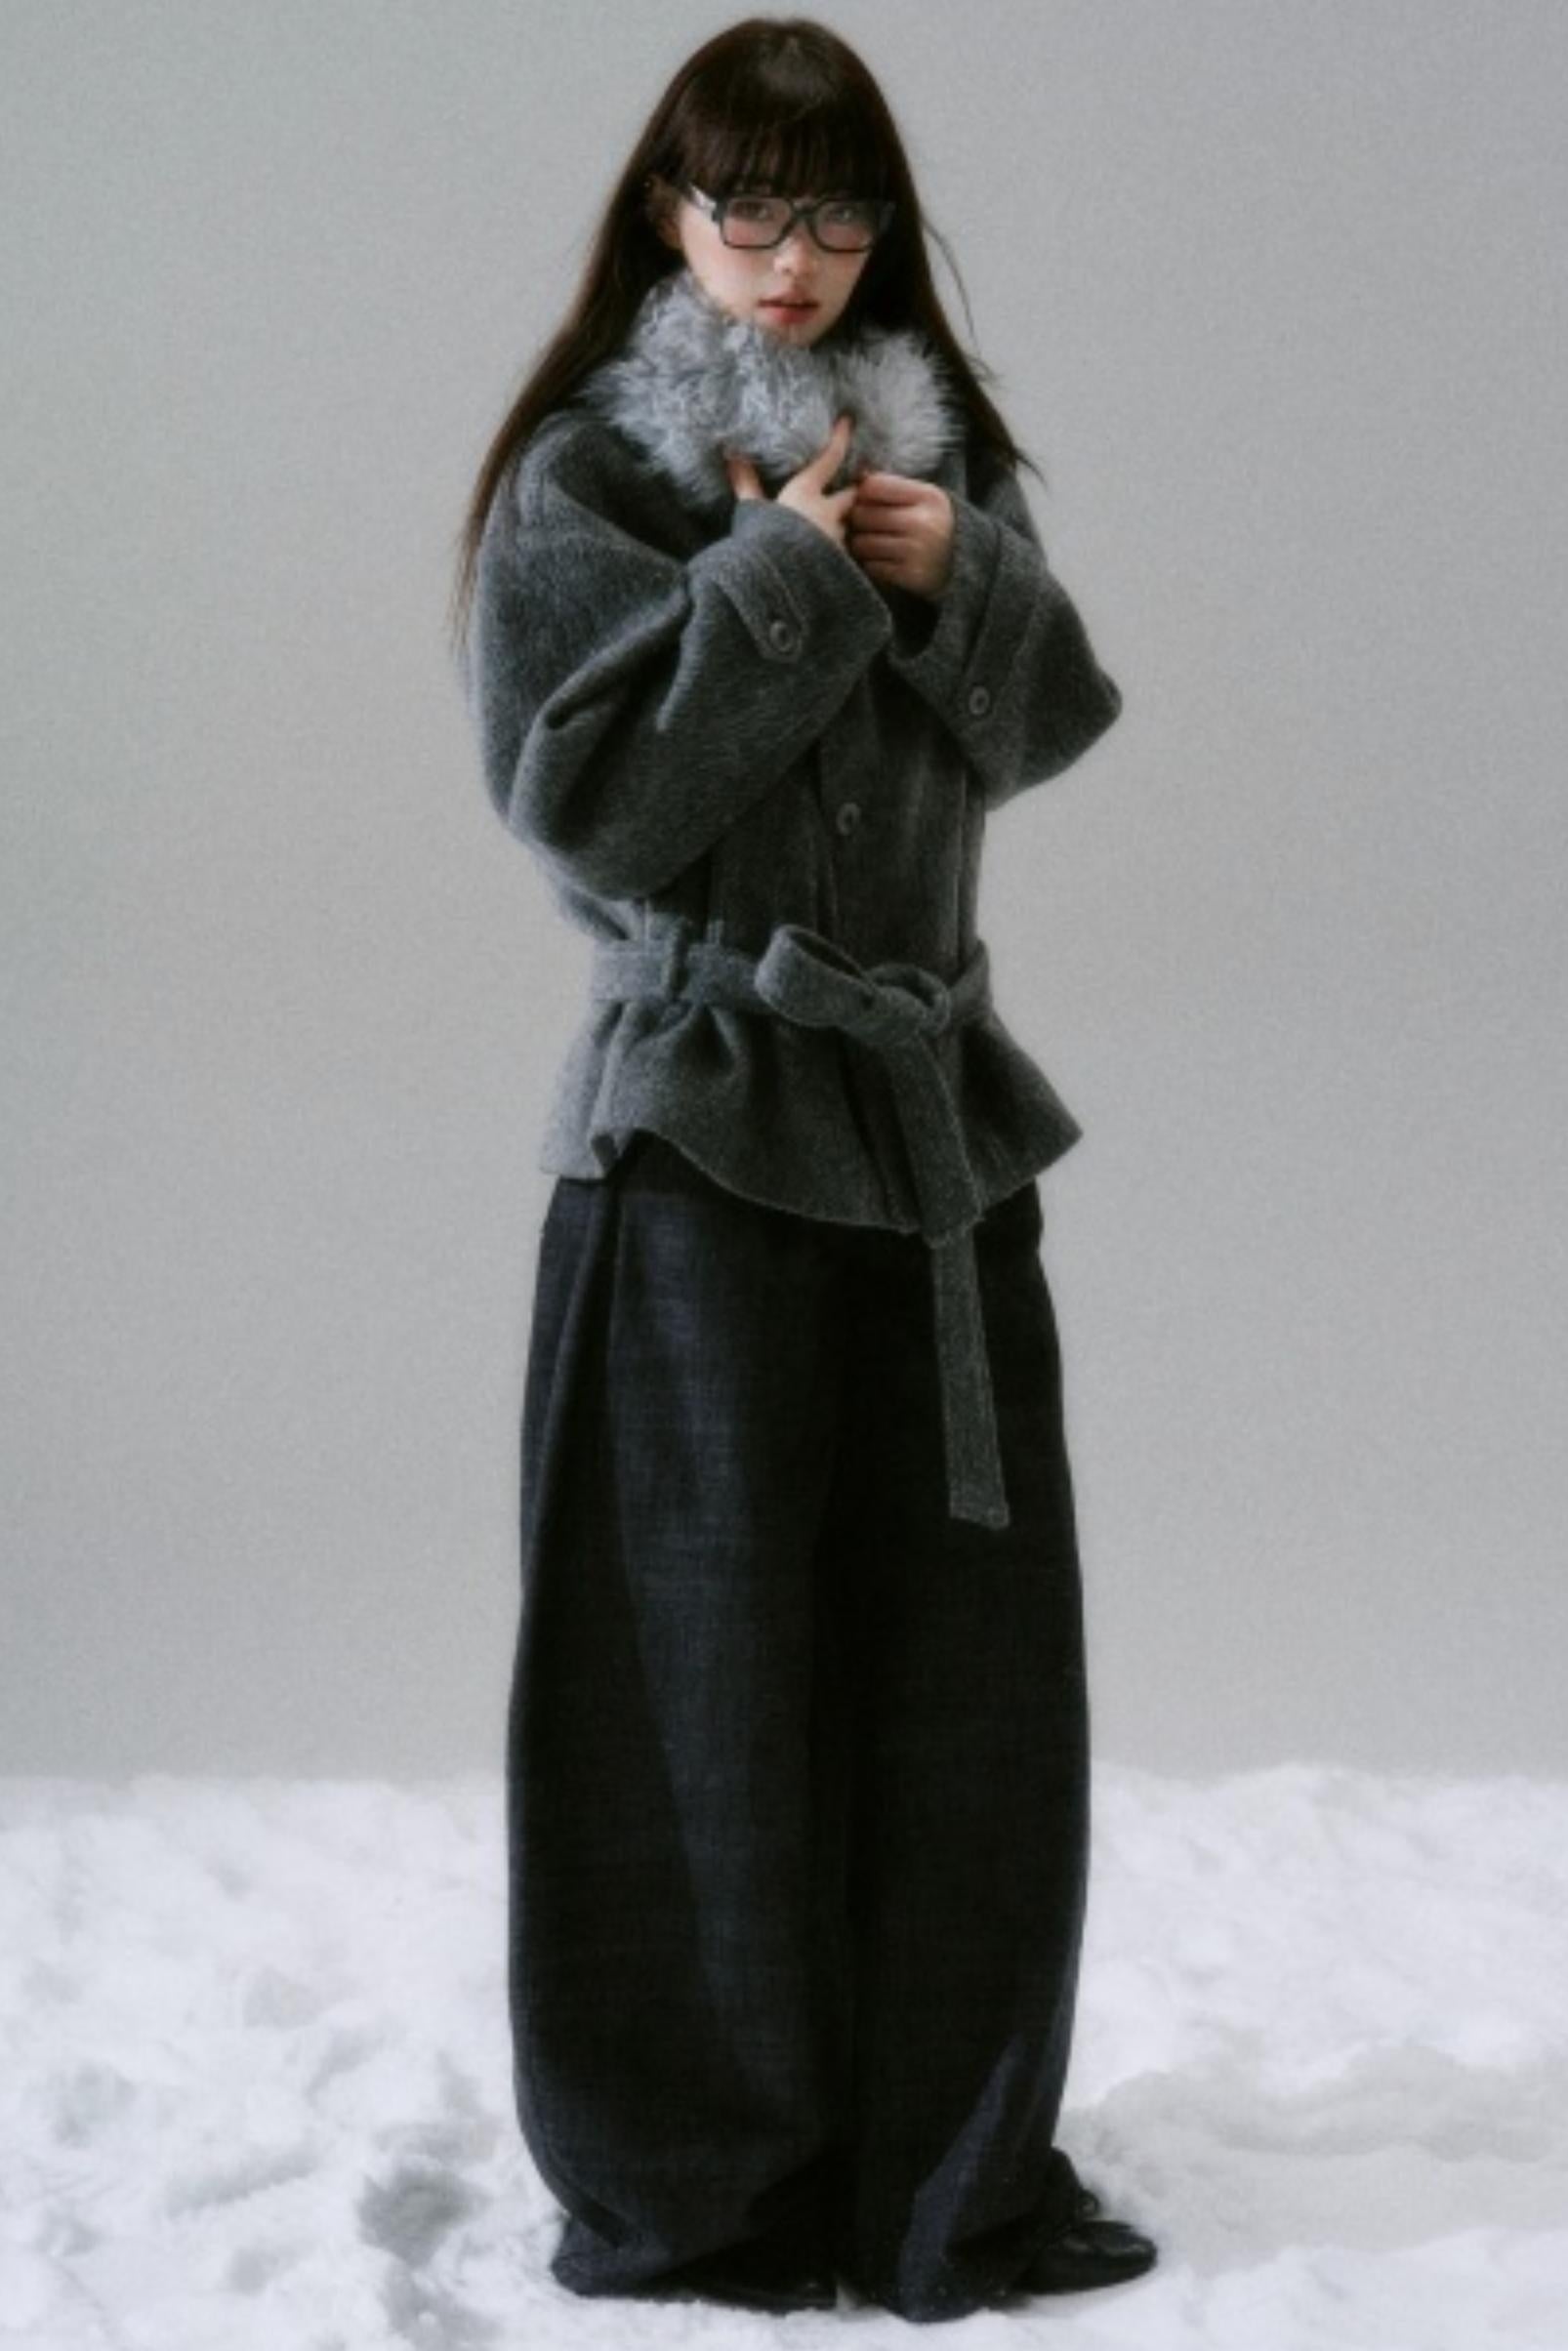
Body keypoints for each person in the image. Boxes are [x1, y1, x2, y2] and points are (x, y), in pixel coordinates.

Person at [451, 13, 1156, 2327]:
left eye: (834, 213)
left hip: (931, 1138)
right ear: (666, 214)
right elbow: (583, 807)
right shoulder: (590, 476)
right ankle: (701, 2191)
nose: (790, 259)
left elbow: (1050, 727)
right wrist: (776, 584)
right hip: (689, 1131)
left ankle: (939, 2169)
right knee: (688, 1681)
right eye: (745, 209)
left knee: (967, 1681)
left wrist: (964, 584)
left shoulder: (943, 450)